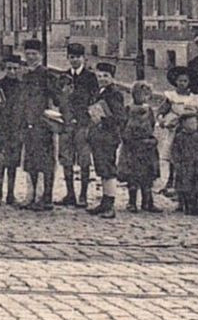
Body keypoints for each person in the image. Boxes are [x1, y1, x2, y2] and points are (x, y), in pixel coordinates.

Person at [16, 39, 63, 212]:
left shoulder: (47, 75)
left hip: (43, 124)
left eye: (34, 54)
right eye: (28, 54)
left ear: (41, 56)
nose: (30, 57)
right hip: (28, 123)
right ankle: (33, 195)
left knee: (46, 162)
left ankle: (47, 197)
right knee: (31, 162)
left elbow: (57, 98)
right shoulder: (25, 76)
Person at [58, 43, 100, 208]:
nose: (75, 60)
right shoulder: (64, 77)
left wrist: (86, 117)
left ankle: (83, 194)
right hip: (67, 123)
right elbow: (59, 100)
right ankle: (70, 193)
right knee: (66, 158)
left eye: (78, 57)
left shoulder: (90, 77)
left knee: (84, 159)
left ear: (84, 58)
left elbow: (94, 99)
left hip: (83, 123)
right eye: (72, 57)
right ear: (68, 58)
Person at [84, 62, 127, 219]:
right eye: (99, 75)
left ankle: (110, 206)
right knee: (101, 169)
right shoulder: (100, 91)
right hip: (99, 135)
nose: (102, 79)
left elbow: (120, 118)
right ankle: (104, 202)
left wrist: (102, 119)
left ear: (112, 78)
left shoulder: (114, 94)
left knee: (108, 170)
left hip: (108, 135)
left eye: (106, 76)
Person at [162, 67, 198, 215]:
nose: (182, 83)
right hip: (175, 132)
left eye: (185, 81)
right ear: (175, 82)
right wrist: (163, 120)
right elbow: (162, 111)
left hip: (190, 133)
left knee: (191, 166)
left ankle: (191, 199)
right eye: (180, 81)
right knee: (176, 162)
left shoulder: (194, 98)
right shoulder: (171, 96)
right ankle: (178, 196)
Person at [0, 57, 24, 207]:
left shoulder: (22, 86)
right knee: (0, 160)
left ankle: (10, 193)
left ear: (20, 68)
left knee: (13, 163)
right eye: (9, 68)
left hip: (16, 127)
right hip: (1, 127)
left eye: (15, 68)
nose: (12, 71)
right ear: (4, 69)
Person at [118, 81, 160, 213]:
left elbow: (152, 125)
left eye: (146, 95)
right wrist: (127, 138)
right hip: (132, 146)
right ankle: (132, 202)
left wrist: (150, 139)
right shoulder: (128, 109)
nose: (143, 97)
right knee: (133, 175)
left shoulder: (149, 110)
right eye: (140, 94)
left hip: (146, 145)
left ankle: (147, 202)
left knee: (147, 175)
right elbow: (123, 126)